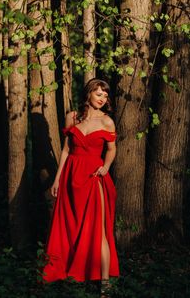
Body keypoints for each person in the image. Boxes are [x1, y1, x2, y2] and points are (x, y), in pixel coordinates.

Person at [42, 78, 119, 294]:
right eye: (99, 94)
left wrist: (106, 166)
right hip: (71, 176)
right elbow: (66, 150)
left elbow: (111, 149)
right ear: (88, 94)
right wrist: (57, 179)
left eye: (105, 95)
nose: (103, 99)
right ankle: (72, 273)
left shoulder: (107, 122)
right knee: (70, 225)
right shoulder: (72, 117)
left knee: (100, 230)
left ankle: (105, 284)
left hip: (95, 178)